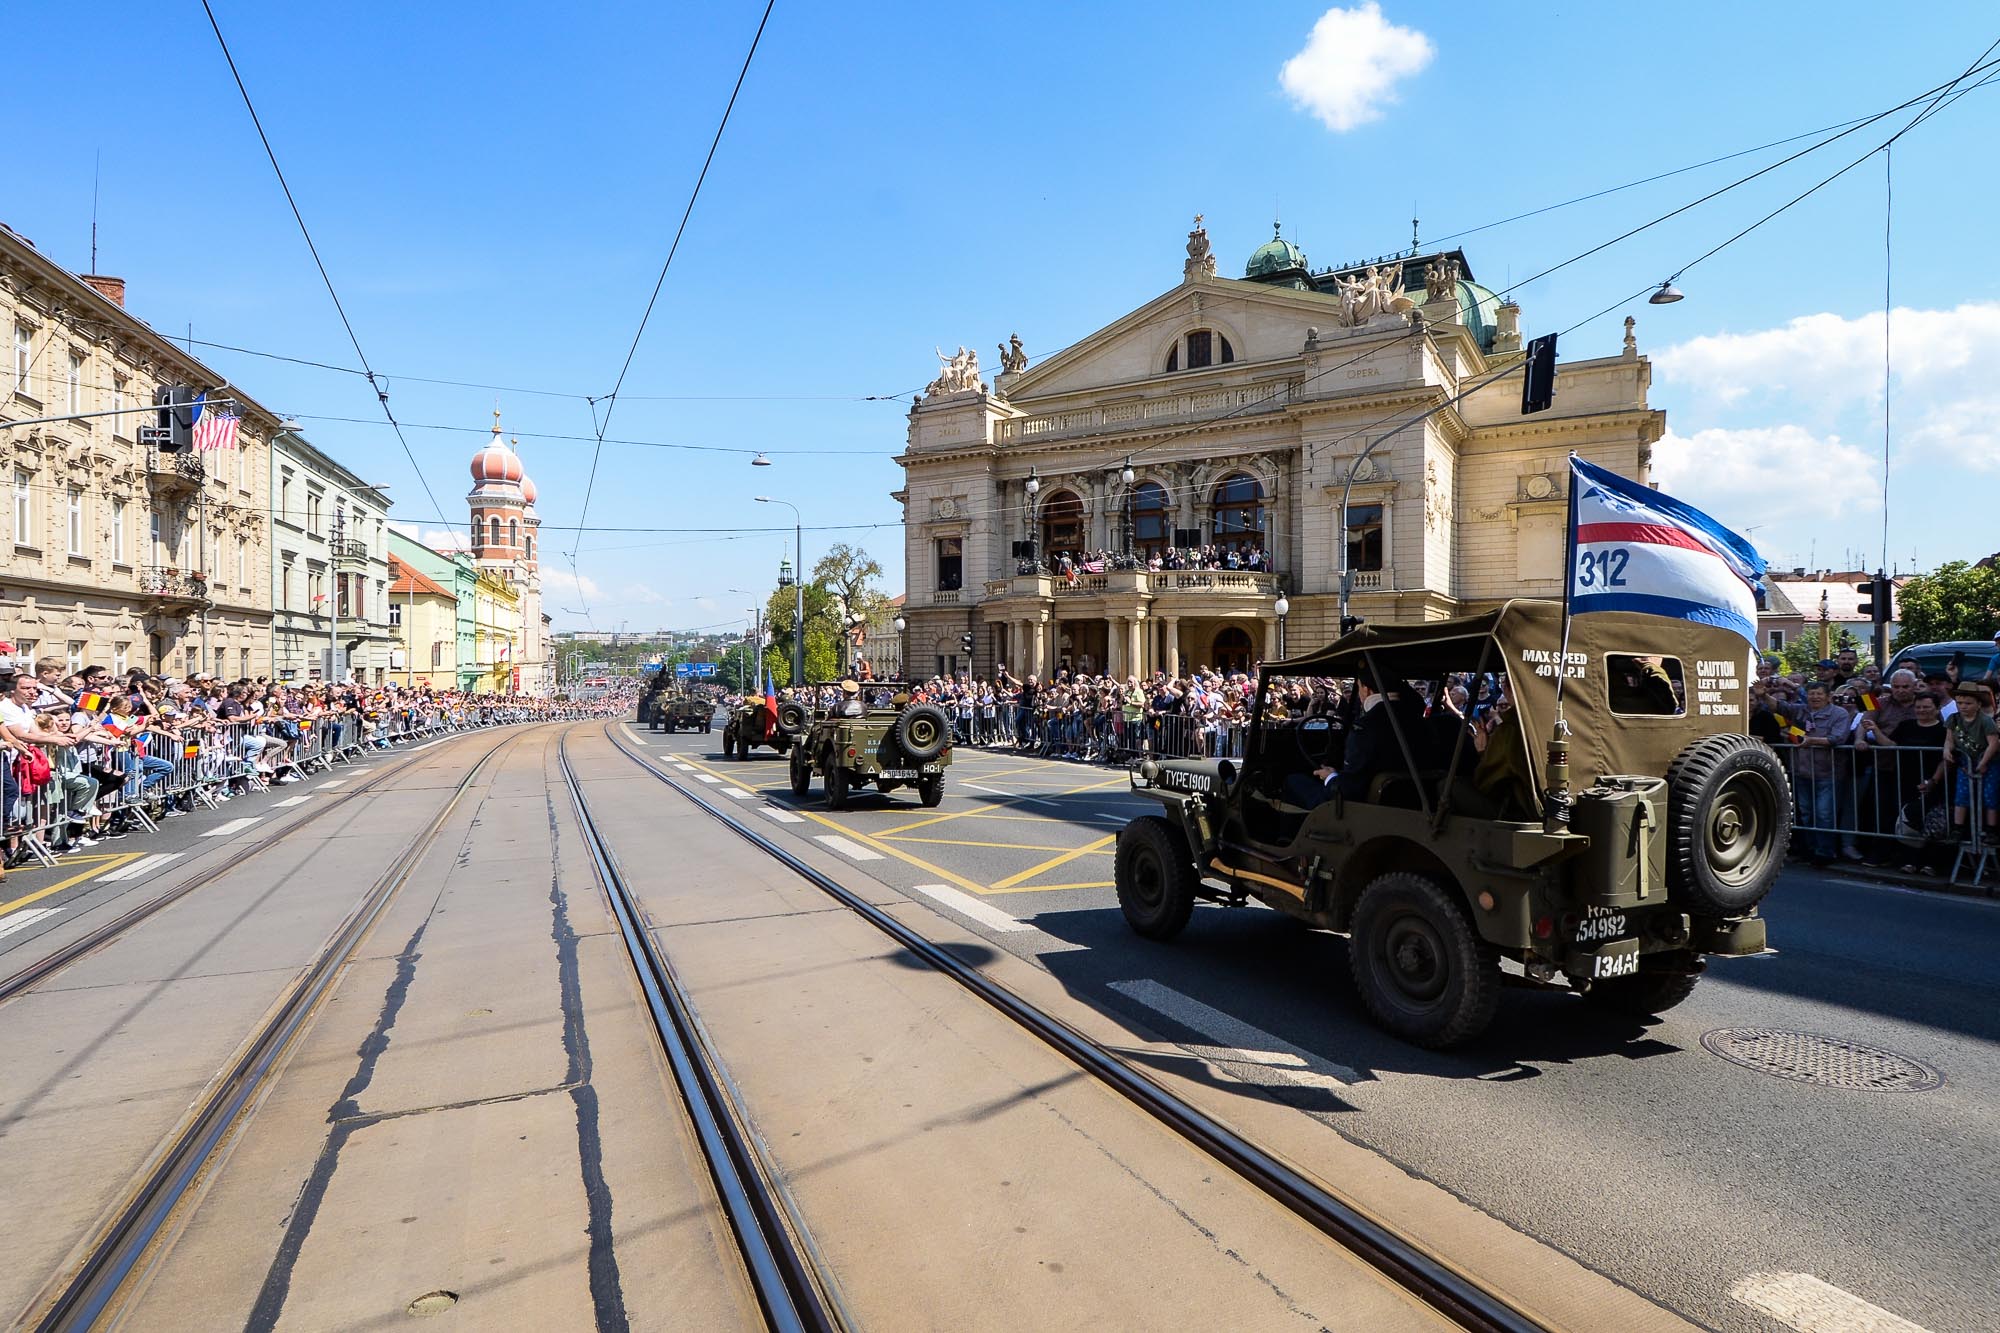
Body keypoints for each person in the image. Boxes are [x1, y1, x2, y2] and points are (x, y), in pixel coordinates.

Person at [1944, 680, 1998, 844]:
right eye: (1960, 703)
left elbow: (1993, 743)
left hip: (1989, 762)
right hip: (1965, 761)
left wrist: (1984, 762)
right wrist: (1947, 749)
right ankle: (1957, 828)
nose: (1963, 706)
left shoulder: (1985, 721)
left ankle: (1991, 830)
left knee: (1990, 795)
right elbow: (1949, 739)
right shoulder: (1953, 719)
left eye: (1968, 703)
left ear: (1978, 704)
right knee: (1961, 794)